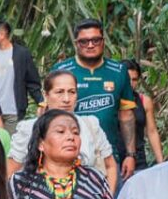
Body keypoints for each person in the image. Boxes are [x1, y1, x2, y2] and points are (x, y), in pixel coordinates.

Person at [52, 20, 140, 180]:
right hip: (68, 155)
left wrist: (130, 154)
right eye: (84, 41)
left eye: (96, 40)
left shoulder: (119, 71)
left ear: (103, 41)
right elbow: (47, 113)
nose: (90, 45)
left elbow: (126, 116)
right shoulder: (61, 71)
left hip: (108, 157)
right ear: (76, 43)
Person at [9, 69, 117, 188]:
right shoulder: (29, 129)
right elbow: (11, 171)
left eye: (72, 92)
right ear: (46, 95)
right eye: (59, 92)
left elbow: (110, 165)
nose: (66, 99)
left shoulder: (90, 125)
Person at [0, 19, 36, 127]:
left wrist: (41, 102)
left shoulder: (22, 54)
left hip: (13, 112)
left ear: (2, 34)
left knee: (12, 143)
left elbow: (32, 81)